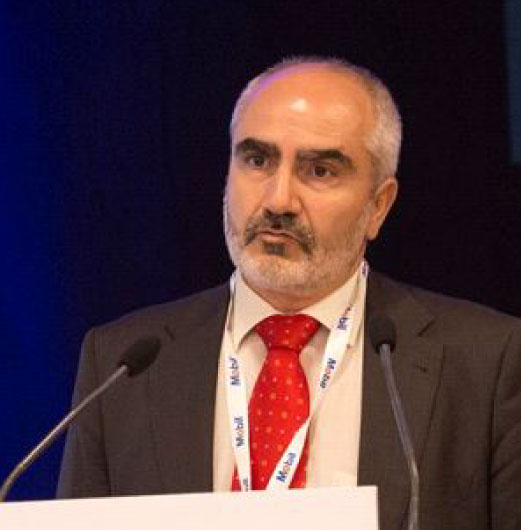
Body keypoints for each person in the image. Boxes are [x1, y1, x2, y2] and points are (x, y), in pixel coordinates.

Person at [57, 57, 521, 530]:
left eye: (319, 171)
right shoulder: (120, 366)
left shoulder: (488, 363)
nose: (278, 201)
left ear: (378, 206)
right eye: (257, 161)